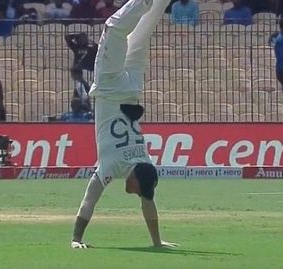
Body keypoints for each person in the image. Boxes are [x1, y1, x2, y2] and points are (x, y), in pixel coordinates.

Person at [71, 0, 178, 249]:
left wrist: (157, 243)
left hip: (131, 90)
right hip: (109, 88)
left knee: (143, 30)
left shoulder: (145, 161)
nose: (133, 192)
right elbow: (89, 201)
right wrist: (76, 240)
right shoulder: (112, 164)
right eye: (137, 190)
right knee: (113, 28)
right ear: (136, 180)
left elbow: (147, 200)